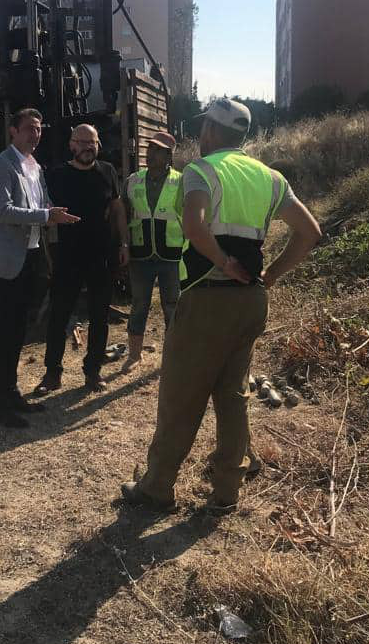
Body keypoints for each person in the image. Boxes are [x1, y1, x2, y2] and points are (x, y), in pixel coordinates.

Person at [121, 98, 321, 511]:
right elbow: (310, 232)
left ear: (210, 130)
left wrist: (223, 261)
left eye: (203, 128)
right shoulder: (270, 178)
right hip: (251, 302)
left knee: (180, 395)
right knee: (233, 395)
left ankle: (157, 487)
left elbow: (194, 225)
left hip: (207, 296)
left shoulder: (202, 171)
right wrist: (270, 275)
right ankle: (227, 490)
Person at [0, 108, 79, 428]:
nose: (35, 134)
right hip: (4, 263)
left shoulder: (35, 167)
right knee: (2, 334)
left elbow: (42, 203)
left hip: (29, 257)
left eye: (38, 129)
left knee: (18, 331)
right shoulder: (1, 165)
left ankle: (12, 394)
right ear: (13, 131)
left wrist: (54, 211)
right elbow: (3, 211)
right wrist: (45, 216)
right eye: (28, 128)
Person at [35, 123, 128, 395]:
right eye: (82, 142)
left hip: (101, 256)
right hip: (68, 256)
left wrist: (124, 242)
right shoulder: (57, 175)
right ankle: (52, 374)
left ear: (98, 145)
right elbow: (43, 212)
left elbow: (116, 208)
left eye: (93, 142)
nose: (88, 147)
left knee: (100, 316)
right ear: (71, 145)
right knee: (59, 315)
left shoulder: (107, 172)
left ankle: (93, 371)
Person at [122, 131, 183, 373]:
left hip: (172, 255)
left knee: (172, 306)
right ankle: (134, 356)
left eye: (158, 150)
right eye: (150, 148)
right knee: (139, 304)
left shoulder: (181, 181)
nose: (151, 154)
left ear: (169, 156)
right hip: (141, 254)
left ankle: (173, 356)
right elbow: (122, 212)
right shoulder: (133, 180)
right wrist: (123, 244)